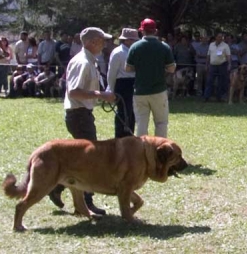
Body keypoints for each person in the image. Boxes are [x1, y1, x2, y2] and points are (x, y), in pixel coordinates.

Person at [48, 27, 116, 215]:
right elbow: (74, 91)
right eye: (102, 40)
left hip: (82, 114)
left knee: (82, 159)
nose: (105, 44)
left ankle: (57, 187)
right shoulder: (83, 62)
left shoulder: (89, 60)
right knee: (90, 160)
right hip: (78, 115)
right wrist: (101, 95)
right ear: (92, 42)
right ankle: (84, 202)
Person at [126, 18, 176, 137]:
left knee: (141, 124)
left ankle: (141, 151)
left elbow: (128, 68)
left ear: (142, 31)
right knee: (161, 123)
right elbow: (171, 68)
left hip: (140, 91)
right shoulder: (164, 47)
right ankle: (161, 150)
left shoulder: (134, 47)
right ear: (155, 31)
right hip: (159, 90)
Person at [107, 28, 139, 138]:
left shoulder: (134, 51)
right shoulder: (118, 53)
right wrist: (110, 89)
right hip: (122, 84)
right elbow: (112, 73)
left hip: (133, 83)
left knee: (132, 113)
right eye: (133, 40)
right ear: (127, 40)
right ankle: (120, 137)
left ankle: (129, 136)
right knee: (123, 112)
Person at [203, 32, 231, 102]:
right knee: (209, 81)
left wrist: (229, 64)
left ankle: (219, 97)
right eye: (219, 36)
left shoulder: (225, 45)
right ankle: (206, 97)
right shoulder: (211, 44)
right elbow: (208, 55)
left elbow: (228, 56)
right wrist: (206, 65)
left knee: (221, 82)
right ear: (216, 37)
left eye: (222, 37)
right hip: (212, 65)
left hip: (222, 65)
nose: (220, 38)